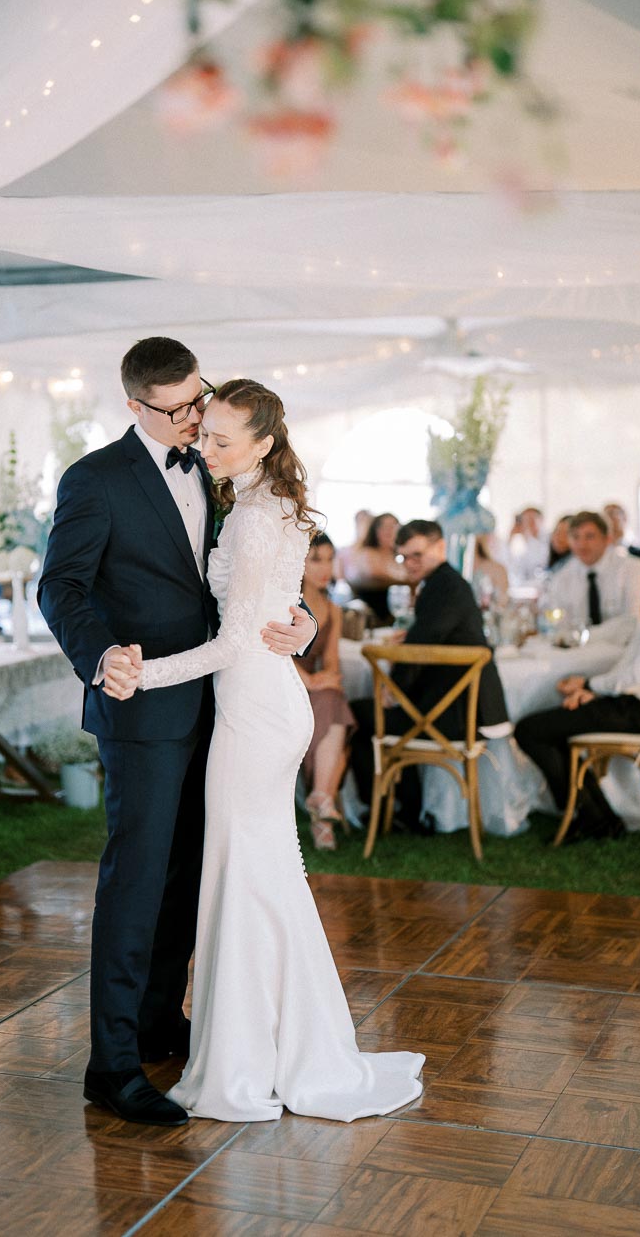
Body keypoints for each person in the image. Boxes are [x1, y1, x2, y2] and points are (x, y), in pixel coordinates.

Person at [106, 379, 424, 1124]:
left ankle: (253, 1054)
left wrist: (141, 674)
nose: (203, 447)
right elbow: (282, 604)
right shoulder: (265, 503)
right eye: (203, 433)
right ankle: (279, 1040)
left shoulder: (253, 515)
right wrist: (303, 624)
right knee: (259, 873)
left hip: (253, 708)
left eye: (220, 439)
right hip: (264, 702)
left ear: (263, 445)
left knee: (242, 874)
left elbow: (234, 638)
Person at [36, 338, 316, 1129]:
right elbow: (60, 585)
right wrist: (101, 658)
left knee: (189, 878)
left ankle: (162, 1021)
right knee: (136, 884)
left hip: (227, 707)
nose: (196, 416)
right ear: (135, 407)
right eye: (178, 408)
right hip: (145, 711)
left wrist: (302, 622)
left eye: (200, 397)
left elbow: (259, 580)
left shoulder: (222, 468)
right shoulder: (95, 480)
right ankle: (112, 1065)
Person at [347, 520, 509, 831]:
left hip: (457, 715)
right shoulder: (446, 584)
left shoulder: (444, 588)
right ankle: (406, 809)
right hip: (454, 708)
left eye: (416, 555)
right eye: (403, 557)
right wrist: (410, 638)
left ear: (440, 548)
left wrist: (393, 690)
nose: (409, 564)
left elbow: (419, 651)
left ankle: (387, 809)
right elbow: (430, 638)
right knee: (375, 714)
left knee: (359, 714)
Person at [515, 598, 640, 841]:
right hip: (633, 703)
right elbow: (631, 663)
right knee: (552, 728)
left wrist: (590, 685)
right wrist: (593, 689)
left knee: (530, 730)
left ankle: (592, 816)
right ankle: (598, 817)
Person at [295, 532, 355, 851]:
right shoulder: (285, 599)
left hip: (314, 691)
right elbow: (269, 649)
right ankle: (322, 809)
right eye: (316, 559)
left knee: (332, 699)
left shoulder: (333, 610)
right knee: (331, 704)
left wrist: (327, 678)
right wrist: (312, 681)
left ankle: (320, 799)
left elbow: (332, 663)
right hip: (280, 685)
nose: (325, 568)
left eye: (330, 559)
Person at [542, 511, 640, 645]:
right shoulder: (562, 577)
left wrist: (583, 636)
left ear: (607, 539)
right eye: (575, 537)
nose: (582, 544)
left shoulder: (632, 568)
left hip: (625, 650)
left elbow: (631, 622)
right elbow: (559, 626)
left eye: (590, 536)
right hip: (578, 656)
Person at [344, 511, 409, 624]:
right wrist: (409, 581)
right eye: (384, 527)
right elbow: (375, 574)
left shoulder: (399, 557)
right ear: (375, 530)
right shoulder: (368, 553)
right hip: (369, 619)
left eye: (394, 526)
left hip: (394, 617)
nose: (390, 531)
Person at [603, 501, 640, 606]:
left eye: (613, 513)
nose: (609, 519)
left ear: (624, 518)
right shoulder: (599, 557)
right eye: (605, 515)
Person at [507, 505, 548, 586]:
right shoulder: (523, 543)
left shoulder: (550, 540)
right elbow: (515, 568)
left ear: (541, 520)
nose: (528, 524)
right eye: (525, 521)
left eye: (531, 520)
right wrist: (511, 536)